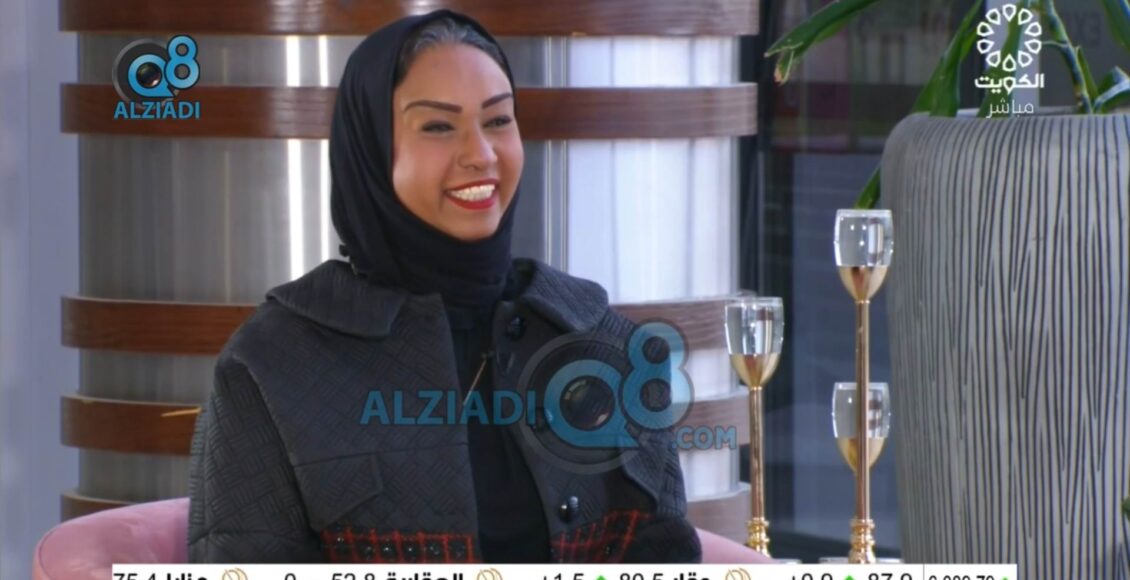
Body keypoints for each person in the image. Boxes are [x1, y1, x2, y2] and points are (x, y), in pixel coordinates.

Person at [187, 9, 769, 564]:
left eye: (497, 121)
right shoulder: (272, 362)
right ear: (371, 150)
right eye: (438, 127)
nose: (481, 155)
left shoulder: (605, 344)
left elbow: (663, 552)